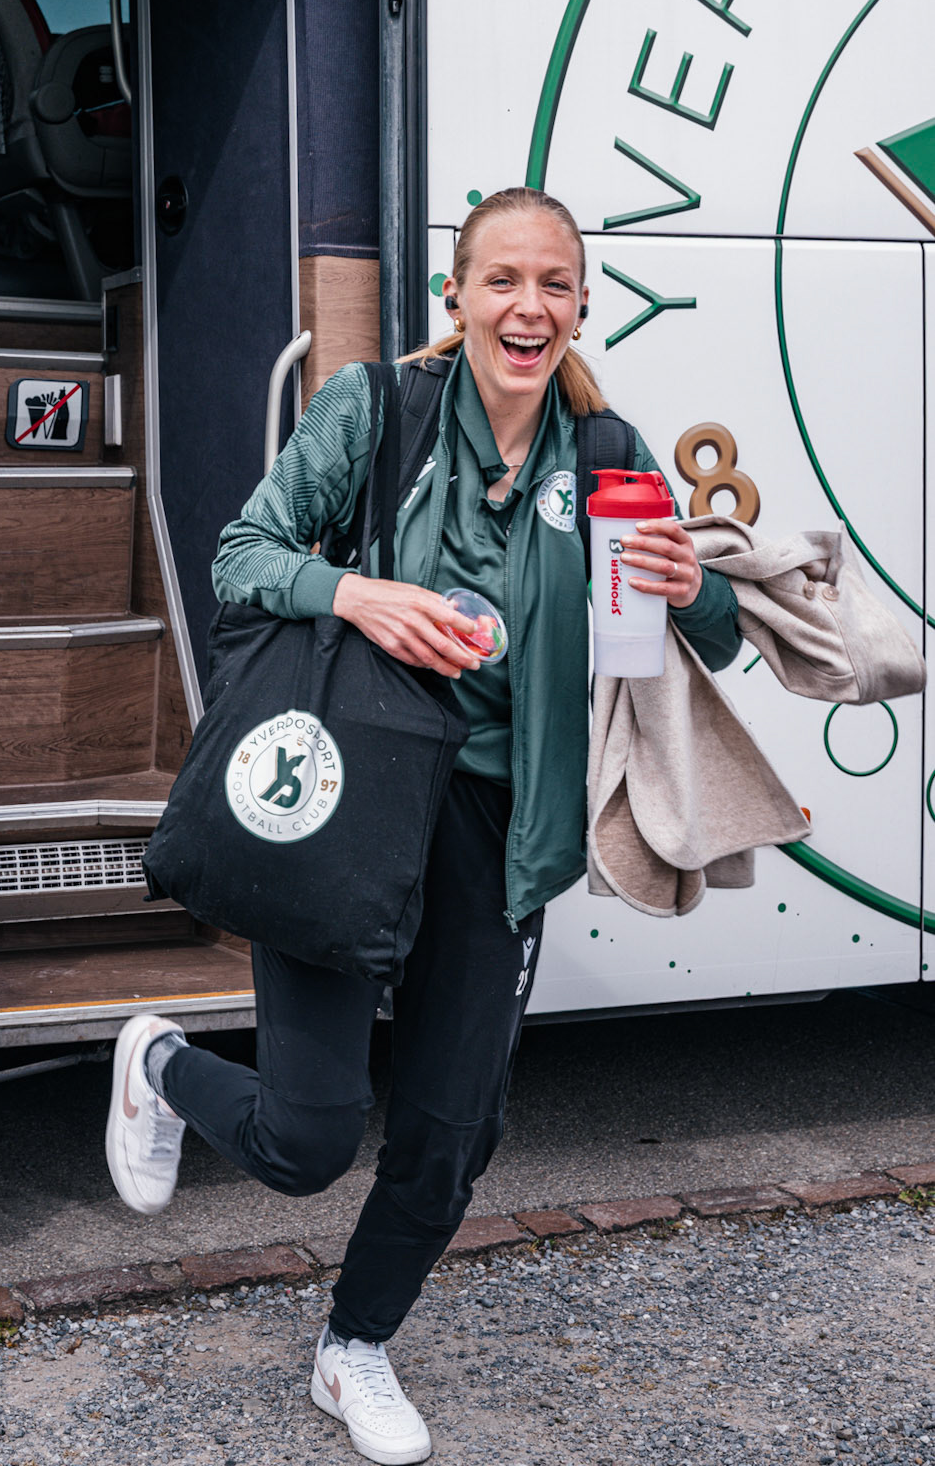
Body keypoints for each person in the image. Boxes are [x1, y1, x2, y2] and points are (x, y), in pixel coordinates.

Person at [104, 187, 741, 1464]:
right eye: (503, 279)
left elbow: (712, 642)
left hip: (504, 825)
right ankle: (159, 1063)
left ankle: (354, 1344)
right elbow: (241, 554)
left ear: (580, 306)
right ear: (456, 295)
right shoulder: (375, 408)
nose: (528, 306)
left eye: (554, 283)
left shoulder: (606, 449)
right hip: (356, 798)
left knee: (453, 1135)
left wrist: (697, 586)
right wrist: (355, 594)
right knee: (306, 1140)